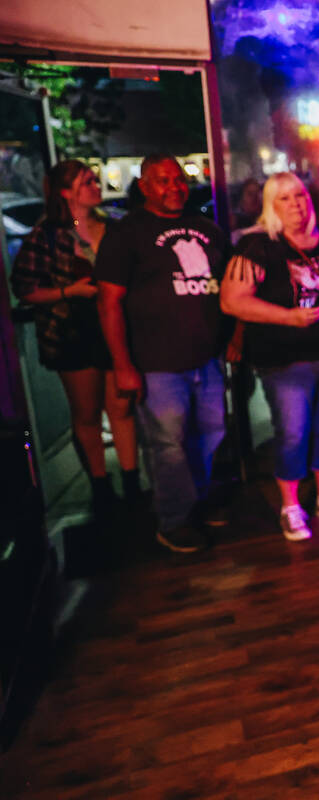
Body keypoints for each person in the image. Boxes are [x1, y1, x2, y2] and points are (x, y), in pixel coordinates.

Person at [96, 154, 229, 553]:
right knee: (167, 443)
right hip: (155, 362)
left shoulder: (206, 228)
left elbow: (226, 288)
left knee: (211, 432)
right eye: (162, 180)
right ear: (144, 186)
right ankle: (174, 521)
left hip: (206, 358)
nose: (174, 187)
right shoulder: (127, 233)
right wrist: (122, 365)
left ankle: (195, 501)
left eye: (179, 179)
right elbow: (108, 302)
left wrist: (233, 339)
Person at [220, 172, 319, 541]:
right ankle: (290, 505)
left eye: (299, 196)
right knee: (293, 434)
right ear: (271, 205)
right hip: (284, 359)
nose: (296, 204)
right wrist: (288, 317)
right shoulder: (259, 246)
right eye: (284, 198)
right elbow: (231, 300)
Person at [11, 159, 141, 512]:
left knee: (122, 407)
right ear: (66, 192)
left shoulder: (114, 226)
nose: (96, 186)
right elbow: (24, 288)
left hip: (114, 327)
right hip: (72, 332)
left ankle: (132, 481)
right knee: (86, 413)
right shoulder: (47, 235)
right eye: (87, 182)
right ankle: (100, 485)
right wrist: (69, 292)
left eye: (94, 179)